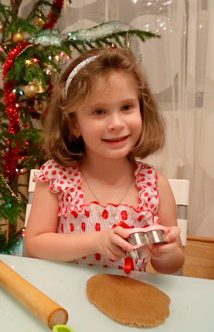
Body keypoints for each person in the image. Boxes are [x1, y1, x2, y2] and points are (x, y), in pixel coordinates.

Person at [24, 47, 185, 274]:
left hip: (128, 302)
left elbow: (173, 265)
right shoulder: (56, 179)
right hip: (65, 300)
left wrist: (167, 253)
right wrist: (95, 242)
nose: (116, 123)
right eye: (99, 111)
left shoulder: (155, 185)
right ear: (74, 124)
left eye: (127, 107)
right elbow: (34, 245)